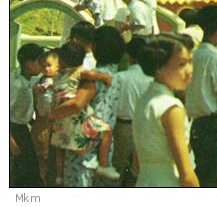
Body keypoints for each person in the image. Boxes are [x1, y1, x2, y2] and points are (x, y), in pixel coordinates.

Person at [60, 26, 125, 187]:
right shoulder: (118, 77)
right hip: (104, 150)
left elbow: (77, 104)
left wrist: (54, 114)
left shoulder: (91, 77)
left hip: (82, 147)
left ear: (95, 47)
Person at [133, 34, 199, 187]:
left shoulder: (144, 100)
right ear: (160, 68)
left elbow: (136, 164)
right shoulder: (172, 108)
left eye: (190, 62)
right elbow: (186, 175)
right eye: (181, 64)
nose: (189, 70)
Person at [185, 5, 217, 187]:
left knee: (202, 172)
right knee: (213, 176)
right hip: (213, 124)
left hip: (197, 123)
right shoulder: (214, 57)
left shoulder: (195, 55)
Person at [110, 36, 152, 185]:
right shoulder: (152, 80)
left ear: (129, 56)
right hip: (145, 128)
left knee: (116, 169)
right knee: (140, 171)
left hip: (122, 127)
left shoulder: (120, 77)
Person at [10, 43, 44, 187]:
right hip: (14, 131)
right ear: (29, 64)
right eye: (39, 62)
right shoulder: (16, 84)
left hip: (23, 130)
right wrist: (11, 142)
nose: (42, 65)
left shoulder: (29, 80)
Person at [31, 49, 60, 185]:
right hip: (40, 124)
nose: (45, 69)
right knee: (38, 159)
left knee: (51, 160)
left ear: (58, 66)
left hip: (54, 126)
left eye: (48, 65)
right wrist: (36, 91)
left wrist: (53, 86)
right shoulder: (38, 81)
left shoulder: (60, 82)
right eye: (42, 66)